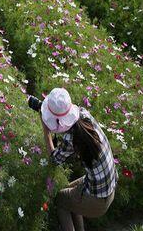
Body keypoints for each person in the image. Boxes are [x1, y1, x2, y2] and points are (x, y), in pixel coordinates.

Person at [39, 88, 117, 231]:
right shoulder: (84, 114)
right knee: (66, 192)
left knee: (61, 201)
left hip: (98, 200)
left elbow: (54, 160)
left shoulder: (71, 138)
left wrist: (46, 130)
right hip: (108, 188)